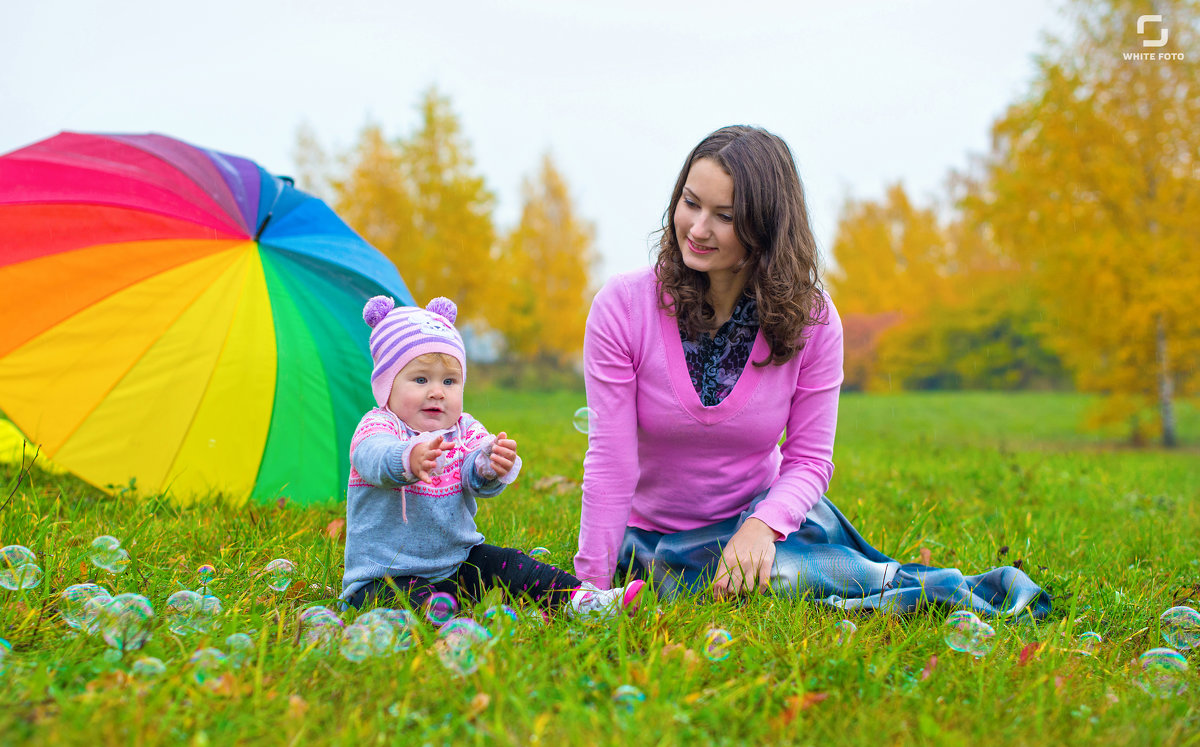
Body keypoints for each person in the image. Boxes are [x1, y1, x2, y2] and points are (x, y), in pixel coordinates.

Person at [573, 125, 1050, 618]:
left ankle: (949, 589)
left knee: (787, 572)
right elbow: (611, 460)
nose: (697, 228)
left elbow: (809, 460)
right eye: (691, 203)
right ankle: (887, 585)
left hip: (769, 522)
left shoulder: (813, 321)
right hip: (659, 542)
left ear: (765, 229)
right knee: (766, 581)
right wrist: (587, 587)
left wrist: (761, 528)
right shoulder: (623, 308)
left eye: (725, 217)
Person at [342, 295, 645, 618]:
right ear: (386, 385)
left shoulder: (464, 428)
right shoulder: (379, 425)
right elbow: (372, 458)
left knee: (512, 565)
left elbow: (476, 469)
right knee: (411, 602)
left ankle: (584, 601)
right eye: (420, 379)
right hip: (385, 577)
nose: (437, 391)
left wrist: (490, 466)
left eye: (449, 381)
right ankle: (445, 620)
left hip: (456, 563)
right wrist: (407, 458)